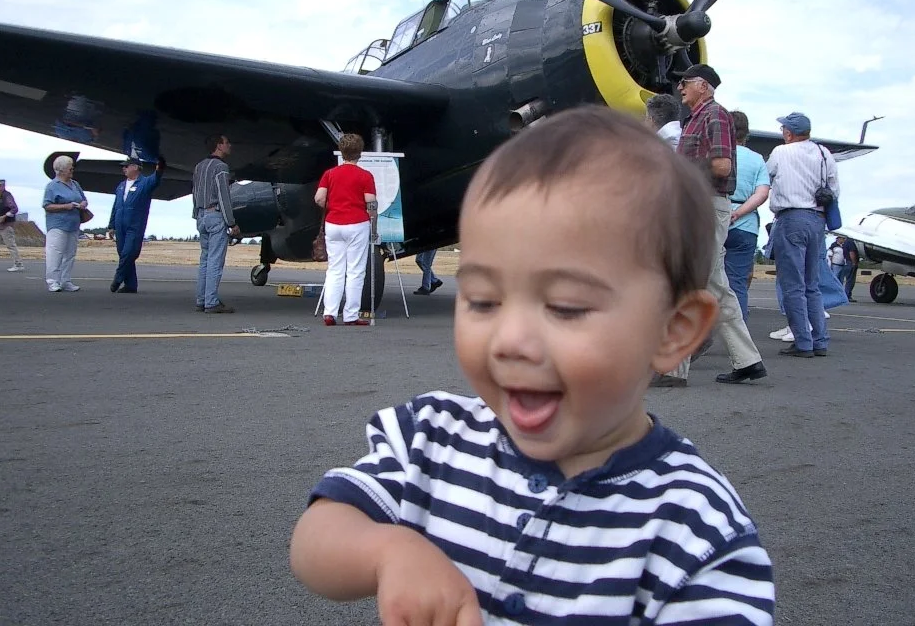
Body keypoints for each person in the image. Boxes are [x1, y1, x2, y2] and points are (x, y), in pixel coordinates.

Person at [289, 106, 774, 625]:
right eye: (481, 300)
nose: (510, 341)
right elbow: (317, 535)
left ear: (673, 330)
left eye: (565, 306)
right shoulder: (433, 440)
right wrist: (386, 552)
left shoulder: (695, 526)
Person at [663, 63, 768, 386]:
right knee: (716, 287)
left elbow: (722, 166)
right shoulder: (696, 118)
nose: (680, 89)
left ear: (704, 87)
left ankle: (674, 370)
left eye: (686, 83)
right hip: (699, 205)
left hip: (706, 205)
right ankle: (748, 361)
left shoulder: (715, 116)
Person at [767, 112, 839, 358]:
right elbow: (833, 188)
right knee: (812, 284)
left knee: (792, 284)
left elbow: (768, 179)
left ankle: (803, 341)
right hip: (817, 220)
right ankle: (820, 339)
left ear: (789, 133)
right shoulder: (823, 153)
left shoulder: (780, 152)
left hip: (791, 217)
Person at [314, 133, 377, 326]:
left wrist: (332, 205)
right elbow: (371, 202)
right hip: (357, 223)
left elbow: (319, 198)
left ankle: (329, 312)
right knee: (356, 271)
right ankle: (350, 314)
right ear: (360, 153)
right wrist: (372, 219)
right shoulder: (365, 176)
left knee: (335, 269)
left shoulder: (330, 174)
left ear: (341, 152)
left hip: (333, 224)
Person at [724, 111, 770, 320]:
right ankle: (738, 341)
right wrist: (739, 213)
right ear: (746, 134)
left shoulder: (717, 155)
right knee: (738, 284)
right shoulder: (757, 159)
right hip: (745, 226)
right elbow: (762, 193)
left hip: (716, 219)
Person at [192, 135, 240, 314]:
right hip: (215, 215)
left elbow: (194, 192)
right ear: (218, 146)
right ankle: (211, 301)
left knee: (204, 259)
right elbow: (224, 196)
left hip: (201, 215)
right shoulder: (221, 167)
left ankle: (201, 299)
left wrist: (196, 214)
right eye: (227, 143)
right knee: (215, 260)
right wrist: (231, 222)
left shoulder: (199, 167)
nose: (229, 145)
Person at [107, 156, 165, 294]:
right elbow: (116, 206)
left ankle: (118, 277)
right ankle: (130, 285)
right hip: (120, 224)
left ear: (135, 167)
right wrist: (111, 225)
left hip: (135, 224)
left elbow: (155, 178)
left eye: (126, 166)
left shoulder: (144, 183)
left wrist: (160, 166)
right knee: (122, 253)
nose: (124, 168)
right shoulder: (121, 186)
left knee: (129, 252)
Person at [42, 155, 89, 292]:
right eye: (70, 168)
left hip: (73, 225)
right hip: (58, 225)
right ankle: (52, 281)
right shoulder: (52, 186)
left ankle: (65, 280)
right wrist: (65, 206)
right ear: (61, 170)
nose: (72, 170)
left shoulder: (75, 184)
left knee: (70, 254)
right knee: (55, 253)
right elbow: (47, 205)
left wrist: (83, 204)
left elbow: (84, 199)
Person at [839, 235, 859, 301]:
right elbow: (852, 253)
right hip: (850, 262)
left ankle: (847, 295)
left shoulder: (845, 242)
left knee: (849, 279)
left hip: (847, 262)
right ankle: (847, 295)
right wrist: (854, 262)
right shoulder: (850, 242)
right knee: (850, 280)